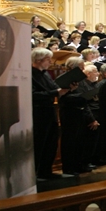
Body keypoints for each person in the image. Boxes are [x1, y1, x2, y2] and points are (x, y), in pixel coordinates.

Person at [31, 48, 78, 179]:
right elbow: (33, 95)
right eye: (47, 59)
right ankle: (37, 172)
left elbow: (54, 88)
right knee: (40, 142)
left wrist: (68, 89)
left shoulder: (45, 74)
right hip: (38, 111)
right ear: (38, 60)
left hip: (50, 110)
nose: (50, 62)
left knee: (51, 142)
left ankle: (46, 171)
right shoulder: (30, 74)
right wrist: (57, 92)